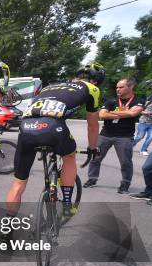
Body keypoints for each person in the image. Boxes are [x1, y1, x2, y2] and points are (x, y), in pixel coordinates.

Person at [6, 62, 104, 218]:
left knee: (18, 184)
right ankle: (66, 204)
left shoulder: (48, 87)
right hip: (52, 127)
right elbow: (92, 125)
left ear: (75, 78)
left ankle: (6, 229)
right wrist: (92, 147)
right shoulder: (92, 89)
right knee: (70, 156)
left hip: (26, 128)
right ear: (95, 82)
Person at [84, 78, 145, 193]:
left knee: (125, 162)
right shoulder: (111, 101)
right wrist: (124, 114)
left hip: (125, 136)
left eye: (121, 87)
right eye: (117, 87)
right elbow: (101, 115)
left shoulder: (138, 100)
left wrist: (111, 113)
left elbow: (133, 113)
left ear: (130, 87)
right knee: (95, 158)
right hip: (105, 134)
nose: (117, 89)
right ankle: (92, 179)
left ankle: (125, 183)